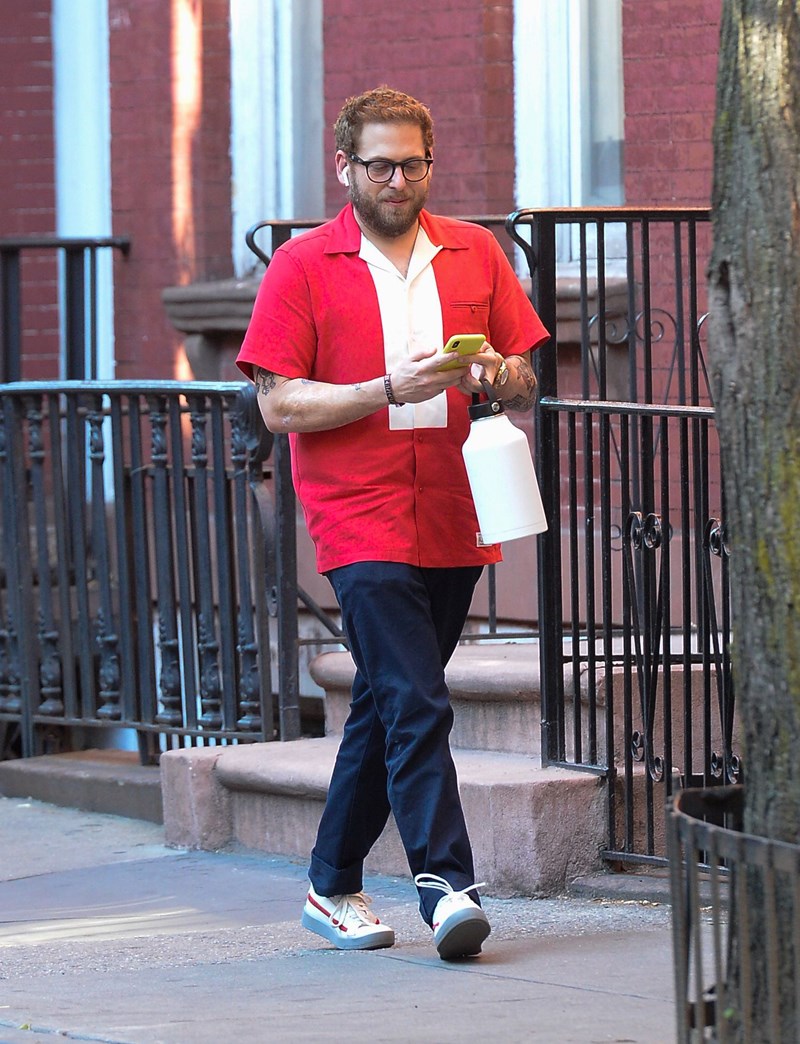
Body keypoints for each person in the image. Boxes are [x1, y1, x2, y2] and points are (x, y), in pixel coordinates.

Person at [237, 86, 549, 960]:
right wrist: (385, 390)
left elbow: (527, 378)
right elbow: (278, 405)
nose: (399, 181)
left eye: (414, 164)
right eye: (380, 165)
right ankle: (448, 888)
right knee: (416, 701)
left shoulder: (475, 251)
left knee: (383, 703)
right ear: (345, 167)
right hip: (356, 510)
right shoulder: (302, 265)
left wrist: (494, 372)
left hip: (455, 505)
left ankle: (330, 884)